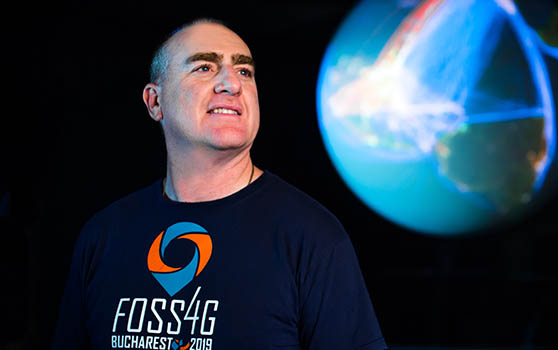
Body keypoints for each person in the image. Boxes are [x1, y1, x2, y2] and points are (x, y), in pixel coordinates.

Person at [51, 19, 387, 350]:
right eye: (204, 68)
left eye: (244, 72)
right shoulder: (103, 236)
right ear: (155, 102)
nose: (232, 84)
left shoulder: (313, 237)